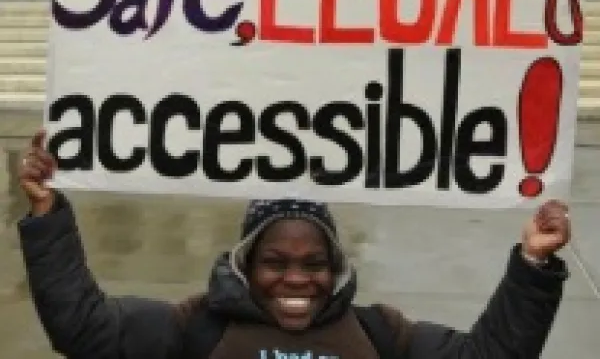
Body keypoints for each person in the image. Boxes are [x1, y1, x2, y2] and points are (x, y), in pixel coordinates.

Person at [17, 129, 571, 358]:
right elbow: (83, 328)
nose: (297, 279)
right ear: (245, 264)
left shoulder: (380, 335)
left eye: (314, 262)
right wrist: (47, 215)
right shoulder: (196, 327)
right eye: (276, 262)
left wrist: (532, 264)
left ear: (336, 266)